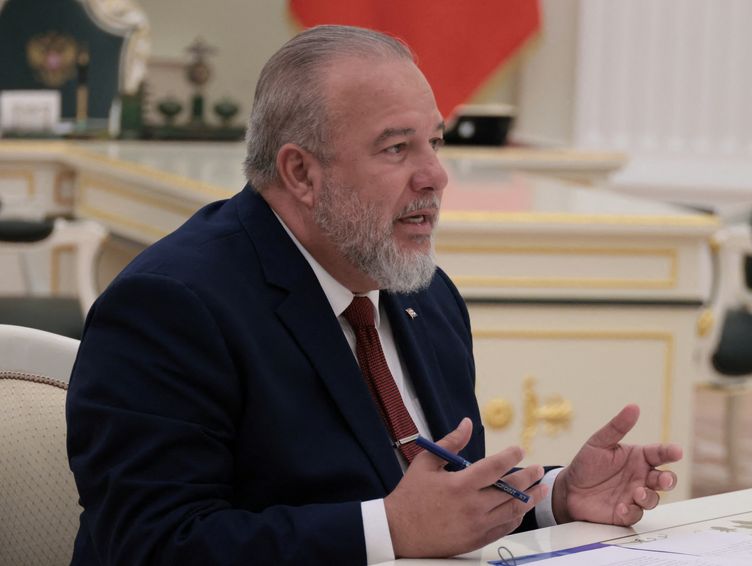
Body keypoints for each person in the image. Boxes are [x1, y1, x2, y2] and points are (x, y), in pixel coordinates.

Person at [66, 25, 682, 565]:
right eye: (397, 148)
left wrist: (555, 496)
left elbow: (439, 509)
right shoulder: (170, 307)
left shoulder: (425, 295)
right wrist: (390, 527)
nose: (435, 175)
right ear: (301, 173)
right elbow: (149, 545)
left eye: (435, 143)